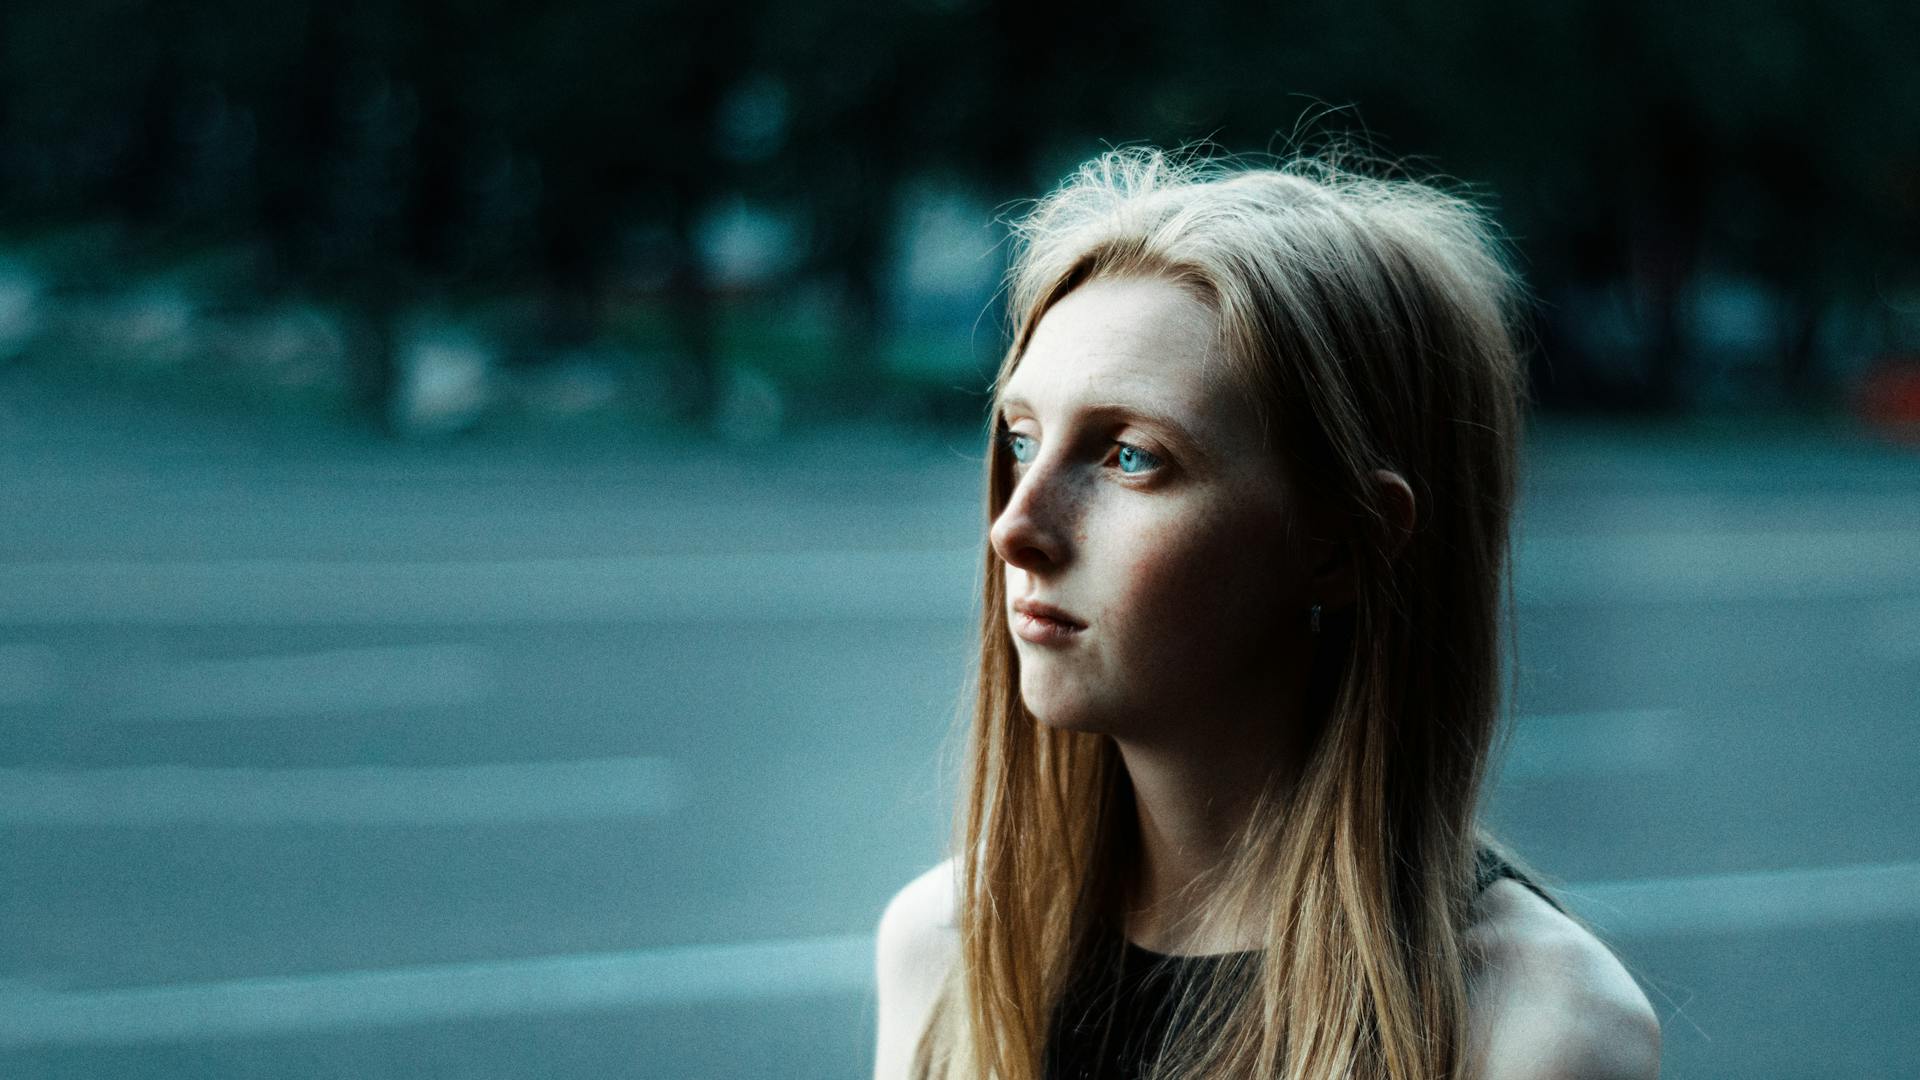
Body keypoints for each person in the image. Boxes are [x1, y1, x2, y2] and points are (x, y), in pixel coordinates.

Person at [873, 146, 1661, 1080]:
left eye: (1130, 456)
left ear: (1341, 541)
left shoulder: (1532, 1032)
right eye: (1021, 438)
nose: (1016, 524)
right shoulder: (949, 949)